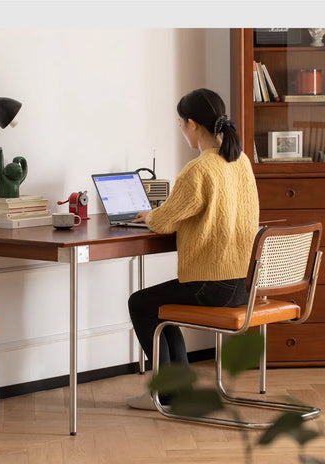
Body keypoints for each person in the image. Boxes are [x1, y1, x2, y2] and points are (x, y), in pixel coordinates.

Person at [126, 88, 260, 410]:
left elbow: (164, 222)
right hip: (245, 284)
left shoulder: (198, 170)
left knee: (140, 303)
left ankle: (169, 393)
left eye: (180, 123)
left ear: (193, 124)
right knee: (159, 309)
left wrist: (150, 215)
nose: (181, 129)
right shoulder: (240, 161)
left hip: (211, 286)